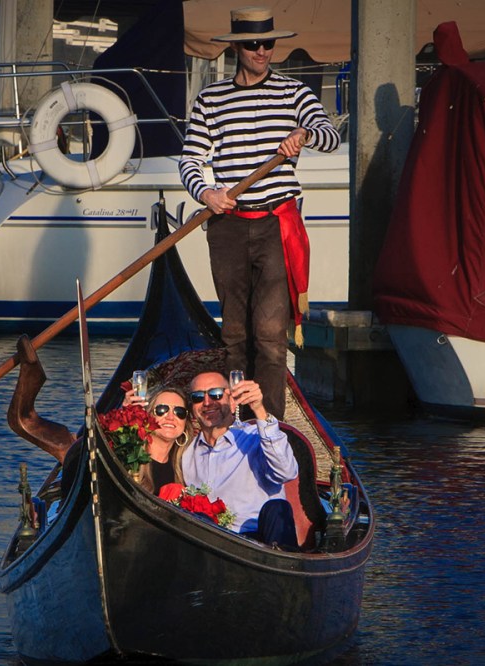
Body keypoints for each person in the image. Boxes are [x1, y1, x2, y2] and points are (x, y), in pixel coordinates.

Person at [178, 6, 342, 420]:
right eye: (253, 44)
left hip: (275, 225)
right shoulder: (211, 99)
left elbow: (329, 134)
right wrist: (208, 194)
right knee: (234, 335)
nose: (263, 51)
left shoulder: (294, 94)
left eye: (268, 43)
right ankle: (235, 420)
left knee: (270, 336)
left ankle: (269, 426)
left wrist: (303, 133)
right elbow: (190, 159)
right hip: (228, 226)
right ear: (236, 47)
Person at [180, 370, 299, 549]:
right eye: (198, 397)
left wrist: (259, 410)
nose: (206, 402)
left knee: (277, 507)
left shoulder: (255, 437)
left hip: (260, 541)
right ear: (192, 407)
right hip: (210, 544)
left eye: (216, 394)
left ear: (232, 400)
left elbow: (286, 471)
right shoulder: (187, 453)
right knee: (197, 519)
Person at [123, 385, 193, 494]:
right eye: (161, 410)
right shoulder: (128, 461)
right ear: (148, 415)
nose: (170, 417)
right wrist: (126, 417)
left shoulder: (185, 469)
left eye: (179, 412)